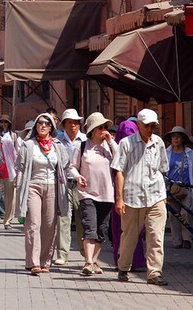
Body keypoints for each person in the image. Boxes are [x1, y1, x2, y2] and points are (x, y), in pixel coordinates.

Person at [112, 109, 169, 286]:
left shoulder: (158, 142)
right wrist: (119, 199)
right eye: (147, 126)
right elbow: (119, 171)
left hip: (156, 195)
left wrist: (164, 194)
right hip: (132, 197)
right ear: (138, 125)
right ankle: (123, 267)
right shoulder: (126, 143)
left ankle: (154, 273)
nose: (150, 129)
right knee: (130, 235)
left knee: (156, 235)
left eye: (153, 126)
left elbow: (162, 169)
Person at [14, 113, 69, 275]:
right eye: (40, 123)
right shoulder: (28, 145)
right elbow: (21, 169)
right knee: (33, 224)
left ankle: (45, 261)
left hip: (52, 187)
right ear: (36, 127)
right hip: (33, 187)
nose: (43, 126)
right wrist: (20, 191)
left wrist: (77, 178)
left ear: (51, 127)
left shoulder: (58, 146)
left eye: (47, 123)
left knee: (49, 226)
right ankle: (33, 262)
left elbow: (66, 166)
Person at [68, 112, 118, 276]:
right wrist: (78, 176)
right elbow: (72, 167)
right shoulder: (82, 146)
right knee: (90, 227)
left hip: (107, 194)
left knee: (101, 230)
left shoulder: (109, 147)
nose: (104, 130)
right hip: (87, 193)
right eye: (100, 127)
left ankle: (94, 261)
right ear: (92, 130)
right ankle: (88, 262)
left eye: (106, 127)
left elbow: (121, 159)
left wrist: (111, 141)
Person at [110, 118, 147, 271]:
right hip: (123, 196)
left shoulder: (141, 147)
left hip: (132, 195)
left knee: (131, 231)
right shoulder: (124, 148)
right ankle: (127, 261)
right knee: (128, 231)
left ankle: (132, 261)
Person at [54, 108, 86, 265]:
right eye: (70, 123)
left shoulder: (85, 140)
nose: (73, 125)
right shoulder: (57, 142)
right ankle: (62, 254)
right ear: (64, 125)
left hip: (82, 185)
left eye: (76, 123)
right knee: (64, 218)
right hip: (64, 183)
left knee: (83, 218)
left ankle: (85, 251)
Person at [164, 126, 193, 249]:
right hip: (172, 188)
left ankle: (187, 238)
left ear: (182, 139)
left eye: (178, 137)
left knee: (185, 213)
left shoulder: (189, 153)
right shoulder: (167, 152)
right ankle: (177, 241)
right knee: (173, 215)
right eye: (173, 137)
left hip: (186, 188)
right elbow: (162, 170)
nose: (175, 139)